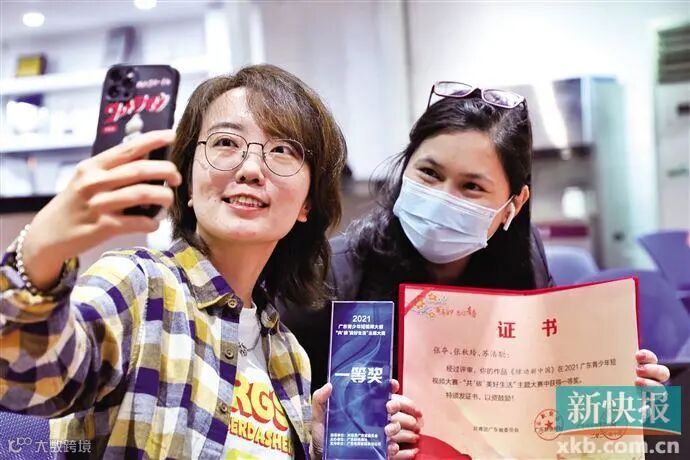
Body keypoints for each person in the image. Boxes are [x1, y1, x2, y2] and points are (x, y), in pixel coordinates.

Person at [0, 64, 404, 459]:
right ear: (189, 182)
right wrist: (40, 249)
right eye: (226, 142)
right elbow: (26, 379)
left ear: (307, 203)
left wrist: (317, 449)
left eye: (282, 150)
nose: (250, 169)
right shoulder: (140, 286)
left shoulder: (289, 355)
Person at [281, 81, 671, 457]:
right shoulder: (333, 276)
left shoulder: (525, 261)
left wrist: (619, 397)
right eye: (429, 173)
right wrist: (331, 439)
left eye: (471, 187)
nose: (440, 199)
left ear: (514, 204)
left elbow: (543, 397)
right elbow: (279, 418)